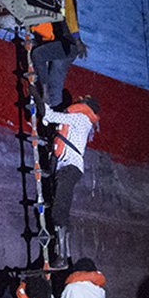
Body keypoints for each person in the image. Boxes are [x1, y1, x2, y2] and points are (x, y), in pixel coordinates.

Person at [40, 95, 100, 264]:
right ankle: (60, 253)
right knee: (58, 207)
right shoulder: (80, 120)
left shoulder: (81, 118)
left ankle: (62, 256)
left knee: (59, 210)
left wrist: (39, 100)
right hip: (64, 167)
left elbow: (51, 116)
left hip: (69, 168)